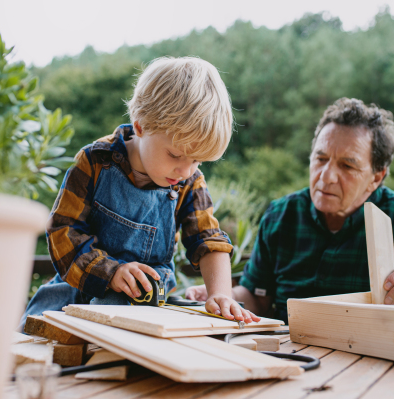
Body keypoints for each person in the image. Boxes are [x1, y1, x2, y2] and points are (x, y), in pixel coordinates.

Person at [20, 57, 259, 331]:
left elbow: (207, 239)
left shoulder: (188, 181)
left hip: (144, 298)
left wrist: (220, 294)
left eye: (197, 161)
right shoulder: (94, 161)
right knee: (28, 336)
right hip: (75, 286)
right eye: (176, 155)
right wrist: (111, 272)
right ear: (141, 125)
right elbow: (64, 229)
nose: (185, 170)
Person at [186, 98, 394, 323]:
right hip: (292, 351)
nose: (326, 176)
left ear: (376, 177)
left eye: (347, 166)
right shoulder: (281, 216)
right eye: (321, 159)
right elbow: (259, 298)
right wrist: (220, 296)